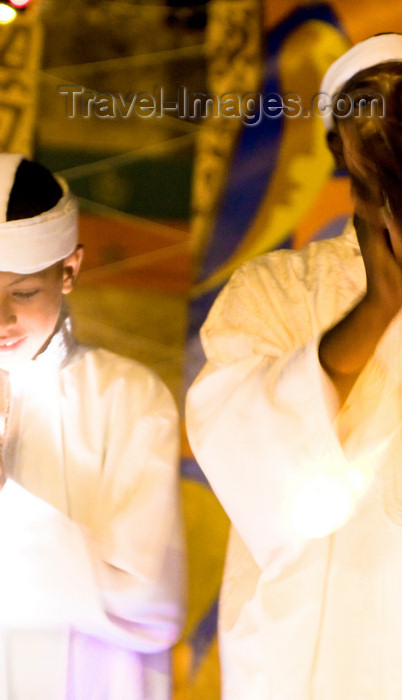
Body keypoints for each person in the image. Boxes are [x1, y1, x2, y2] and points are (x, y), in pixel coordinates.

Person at [186, 33, 402, 699]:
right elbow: (241, 451)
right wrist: (377, 311)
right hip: (305, 653)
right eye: (365, 107)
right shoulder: (275, 291)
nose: (386, 127)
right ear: (336, 145)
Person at [0, 153, 185, 699]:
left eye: (23, 293)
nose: (1, 319)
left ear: (69, 270)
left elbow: (148, 602)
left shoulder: (128, 398)